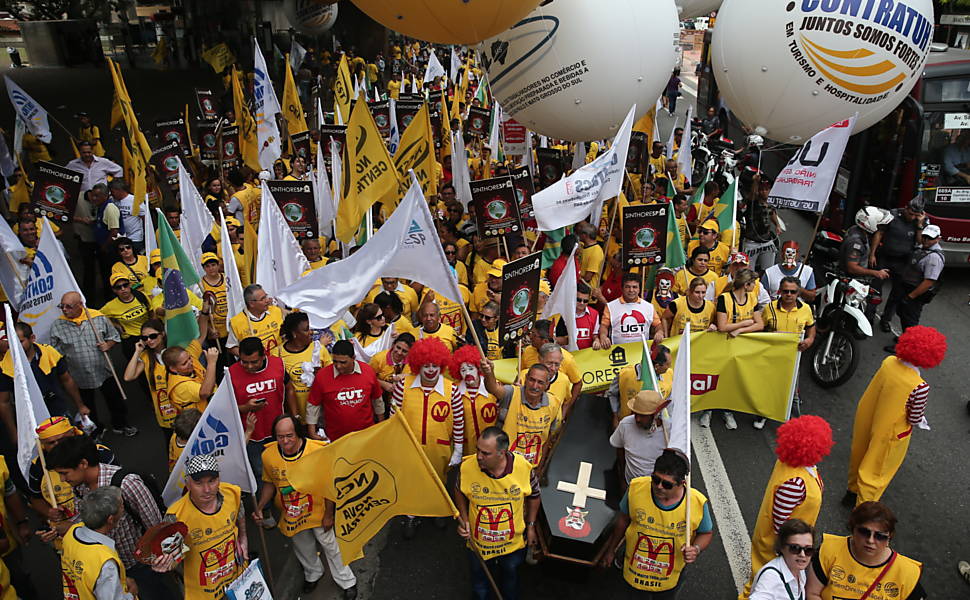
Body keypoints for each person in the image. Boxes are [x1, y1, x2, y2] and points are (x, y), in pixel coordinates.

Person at [46, 435, 179, 600]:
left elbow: (156, 526)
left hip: (140, 566)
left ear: (83, 464)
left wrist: (165, 561)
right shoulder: (79, 487)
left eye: (64, 473)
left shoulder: (126, 483)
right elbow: (86, 520)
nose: (62, 479)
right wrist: (65, 523)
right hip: (111, 568)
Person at [254, 415, 358, 598]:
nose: (285, 441)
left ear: (298, 433)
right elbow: (269, 483)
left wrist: (329, 514)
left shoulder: (317, 451)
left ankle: (346, 581)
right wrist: (261, 506)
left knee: (331, 546)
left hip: (318, 510)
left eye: (289, 435)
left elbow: (328, 486)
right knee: (303, 547)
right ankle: (313, 574)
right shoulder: (268, 456)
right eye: (280, 437)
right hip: (291, 513)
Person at [844, 326, 946, 507]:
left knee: (859, 453)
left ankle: (851, 492)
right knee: (876, 471)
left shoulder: (889, 362)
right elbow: (914, 418)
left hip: (869, 416)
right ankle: (862, 512)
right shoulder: (920, 386)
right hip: (890, 432)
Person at [601, 449, 714, 598]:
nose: (659, 486)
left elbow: (706, 533)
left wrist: (696, 549)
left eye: (667, 484)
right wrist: (611, 550)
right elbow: (623, 520)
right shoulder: (636, 488)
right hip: (634, 572)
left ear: (682, 483)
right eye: (655, 479)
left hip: (668, 578)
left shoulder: (696, 503)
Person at [742, 416, 833, 598]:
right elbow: (780, 523)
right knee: (761, 584)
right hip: (780, 546)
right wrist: (793, 550)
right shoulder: (796, 482)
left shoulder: (794, 464)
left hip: (789, 543)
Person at [455, 427, 539, 600]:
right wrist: (463, 519)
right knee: (480, 588)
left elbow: (534, 496)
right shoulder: (466, 467)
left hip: (512, 546)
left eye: (486, 453)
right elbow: (458, 490)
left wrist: (530, 526)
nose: (478, 456)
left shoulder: (523, 468)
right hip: (478, 545)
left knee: (510, 583)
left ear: (502, 453)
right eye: (478, 450)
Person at [391, 337, 463, 538]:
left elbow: (458, 422)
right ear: (417, 365)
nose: (430, 370)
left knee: (438, 482)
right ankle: (412, 516)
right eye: (425, 365)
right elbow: (393, 418)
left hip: (438, 448)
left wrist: (457, 449)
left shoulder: (452, 390)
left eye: (434, 365)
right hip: (409, 448)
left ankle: (437, 511)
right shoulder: (403, 385)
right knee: (411, 483)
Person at [157, 454, 247, 599]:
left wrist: (243, 539)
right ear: (188, 484)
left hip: (236, 575)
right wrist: (166, 563)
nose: (207, 489)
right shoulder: (176, 516)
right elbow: (173, 557)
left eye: (212, 481)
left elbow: (240, 513)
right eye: (199, 483)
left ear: (219, 480)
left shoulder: (232, 494)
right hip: (203, 589)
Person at [49, 291, 135, 437]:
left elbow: (114, 336)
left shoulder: (97, 317)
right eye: (62, 306)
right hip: (79, 375)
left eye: (69, 307)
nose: (64, 310)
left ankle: (120, 424)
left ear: (80, 305)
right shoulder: (58, 326)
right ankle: (96, 430)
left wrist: (108, 345)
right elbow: (55, 352)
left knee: (114, 398)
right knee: (87, 405)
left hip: (104, 369)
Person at [806, 502, 925, 600]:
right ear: (853, 530)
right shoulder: (829, 550)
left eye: (880, 536)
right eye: (864, 532)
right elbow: (812, 594)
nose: (870, 540)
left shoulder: (907, 574)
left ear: (890, 537)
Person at [230, 336, 297, 497]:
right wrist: (246, 408)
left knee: (286, 468)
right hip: (253, 435)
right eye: (244, 362)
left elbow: (289, 388)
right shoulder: (231, 373)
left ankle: (289, 503)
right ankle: (265, 510)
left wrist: (294, 417)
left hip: (279, 431)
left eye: (254, 362)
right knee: (261, 473)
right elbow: (226, 407)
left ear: (264, 355)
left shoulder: (278, 365)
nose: (249, 366)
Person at [0, 322, 89, 430]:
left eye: (20, 342)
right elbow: (4, 402)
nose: (16, 347)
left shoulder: (49, 352)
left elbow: (67, 380)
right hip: (31, 418)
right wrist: (14, 434)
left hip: (58, 408)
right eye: (12, 343)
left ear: (32, 338)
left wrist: (80, 406)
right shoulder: (5, 366)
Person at [708, 269, 764, 430]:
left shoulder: (752, 298)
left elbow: (759, 324)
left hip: (743, 345)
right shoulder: (725, 299)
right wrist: (745, 323)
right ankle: (720, 410)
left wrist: (739, 330)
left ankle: (731, 408)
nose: (755, 286)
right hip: (725, 345)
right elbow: (723, 326)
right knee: (723, 378)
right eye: (753, 283)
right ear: (746, 284)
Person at [481, 360, 560, 471]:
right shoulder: (512, 393)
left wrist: (539, 468)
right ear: (526, 379)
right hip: (504, 465)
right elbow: (493, 388)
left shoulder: (553, 403)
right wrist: (489, 373)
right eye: (532, 380)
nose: (535, 386)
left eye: (540, 382)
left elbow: (546, 440)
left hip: (530, 468)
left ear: (547, 385)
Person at [61, 485, 137, 599]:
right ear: (110, 519)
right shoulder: (105, 563)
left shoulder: (72, 532)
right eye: (121, 506)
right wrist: (132, 593)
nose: (123, 508)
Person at [306, 339, 384, 441]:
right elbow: (313, 404)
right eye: (335, 361)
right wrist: (312, 432)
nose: (338, 366)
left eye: (343, 362)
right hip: (335, 438)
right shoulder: (322, 376)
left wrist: (381, 425)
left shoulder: (368, 371)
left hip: (365, 436)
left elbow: (377, 399)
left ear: (353, 358)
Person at [869, 197, 927, 331]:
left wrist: (919, 225)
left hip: (903, 262)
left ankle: (886, 319)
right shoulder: (892, 215)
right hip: (885, 257)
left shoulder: (920, 222)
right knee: (875, 289)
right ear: (906, 208)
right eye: (910, 213)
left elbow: (920, 242)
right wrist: (872, 254)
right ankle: (869, 316)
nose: (912, 217)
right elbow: (879, 233)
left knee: (897, 294)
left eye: (915, 215)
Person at [885, 224, 944, 347]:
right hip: (907, 287)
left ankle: (906, 347)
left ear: (938, 239)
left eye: (930, 238)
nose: (926, 240)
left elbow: (929, 281)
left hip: (915, 292)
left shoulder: (933, 257)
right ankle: (905, 338)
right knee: (902, 313)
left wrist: (910, 297)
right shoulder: (923, 248)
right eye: (925, 237)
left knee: (910, 320)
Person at [610, 390, 669, 489]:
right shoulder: (625, 425)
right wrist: (622, 479)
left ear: (655, 414)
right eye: (635, 414)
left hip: (657, 490)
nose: (637, 419)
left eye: (642, 416)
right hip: (631, 485)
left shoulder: (669, 432)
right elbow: (620, 450)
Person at [280, 312, 332, 422]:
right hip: (296, 416)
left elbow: (332, 377)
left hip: (319, 415)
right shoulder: (278, 354)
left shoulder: (319, 348)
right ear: (294, 333)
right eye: (306, 329)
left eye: (310, 328)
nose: (311, 332)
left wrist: (320, 374)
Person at [748, 519, 815, 600]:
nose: (802, 554)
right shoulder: (771, 577)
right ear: (782, 547)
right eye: (795, 548)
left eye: (808, 549)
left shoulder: (799, 570)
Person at [608, 344, 672, 428]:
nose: (669, 367)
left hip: (655, 426)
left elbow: (669, 400)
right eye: (667, 364)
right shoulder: (625, 374)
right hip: (628, 425)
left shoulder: (669, 374)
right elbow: (613, 394)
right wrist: (615, 417)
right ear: (657, 366)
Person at [599, 273, 664, 348]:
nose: (631, 290)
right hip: (619, 352)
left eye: (635, 287)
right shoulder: (610, 306)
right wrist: (603, 336)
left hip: (642, 352)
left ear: (639, 289)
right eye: (627, 287)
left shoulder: (649, 307)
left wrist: (659, 332)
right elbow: (604, 325)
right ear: (622, 288)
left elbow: (658, 325)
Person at [228, 284, 285, 357]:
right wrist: (249, 358)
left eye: (266, 296)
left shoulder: (276, 311)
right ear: (251, 303)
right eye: (262, 299)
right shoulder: (236, 322)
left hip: (279, 359)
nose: (267, 300)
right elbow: (231, 347)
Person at [162, 342, 219, 414]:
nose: (191, 363)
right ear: (173, 369)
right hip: (202, 419)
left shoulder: (189, 360)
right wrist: (211, 363)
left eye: (189, 358)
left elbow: (199, 339)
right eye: (184, 363)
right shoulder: (180, 386)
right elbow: (205, 393)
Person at [840, 207, 892, 281]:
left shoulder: (856, 229)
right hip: (852, 281)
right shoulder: (856, 242)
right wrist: (876, 273)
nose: (880, 227)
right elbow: (852, 268)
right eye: (878, 224)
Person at [742, 176, 782, 272]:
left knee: (769, 271)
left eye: (766, 189)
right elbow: (752, 194)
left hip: (767, 241)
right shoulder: (753, 203)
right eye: (761, 189)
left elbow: (772, 213)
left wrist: (777, 225)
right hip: (752, 243)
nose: (764, 192)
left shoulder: (770, 203)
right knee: (748, 272)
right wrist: (755, 182)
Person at [556, 281, 600, 350]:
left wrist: (596, 340)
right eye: (579, 300)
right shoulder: (563, 313)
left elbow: (595, 334)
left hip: (585, 356)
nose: (582, 303)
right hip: (566, 355)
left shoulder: (594, 314)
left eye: (585, 301)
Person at [107, 180, 144, 253]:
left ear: (119, 190)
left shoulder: (134, 200)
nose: (112, 194)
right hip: (119, 238)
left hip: (135, 238)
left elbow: (144, 217)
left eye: (113, 191)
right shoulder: (112, 200)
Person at [576, 221, 605, 288]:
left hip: (587, 290)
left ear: (585, 235)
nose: (579, 236)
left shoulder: (596, 252)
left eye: (580, 234)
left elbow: (588, 277)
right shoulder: (583, 246)